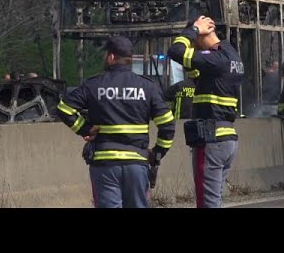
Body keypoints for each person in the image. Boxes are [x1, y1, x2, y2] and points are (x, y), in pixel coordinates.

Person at [56, 36, 175, 208]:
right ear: (130, 59)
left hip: (105, 165)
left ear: (111, 57)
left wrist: (85, 129)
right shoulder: (147, 87)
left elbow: (64, 109)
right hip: (137, 163)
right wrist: (156, 153)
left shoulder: (94, 85)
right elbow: (168, 124)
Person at [167, 15, 244, 208]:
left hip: (211, 138)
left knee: (206, 203)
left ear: (203, 33)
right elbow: (202, 75)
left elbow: (175, 51)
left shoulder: (216, 59)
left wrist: (193, 30)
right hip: (226, 139)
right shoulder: (230, 55)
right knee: (214, 200)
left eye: (194, 40)